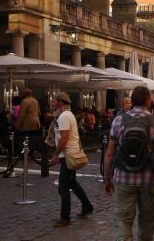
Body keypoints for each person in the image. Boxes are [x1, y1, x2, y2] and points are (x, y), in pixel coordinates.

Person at [103, 86, 154, 240]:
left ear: (132, 101)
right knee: (147, 221)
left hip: (122, 178)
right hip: (148, 180)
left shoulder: (118, 120)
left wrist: (107, 178)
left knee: (122, 220)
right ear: (148, 101)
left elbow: (109, 154)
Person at [51, 92, 94, 227]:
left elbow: (64, 138)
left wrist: (55, 154)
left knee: (63, 188)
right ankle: (87, 206)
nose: (52, 103)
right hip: (70, 153)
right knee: (72, 183)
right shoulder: (69, 115)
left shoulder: (64, 116)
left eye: (54, 101)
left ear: (61, 103)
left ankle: (65, 218)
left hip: (68, 155)